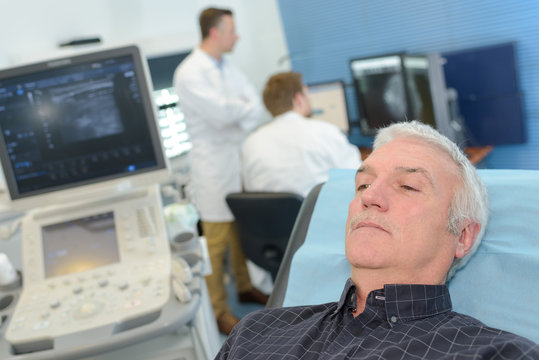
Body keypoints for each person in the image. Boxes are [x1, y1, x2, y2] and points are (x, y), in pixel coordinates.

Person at [216, 121, 539, 358]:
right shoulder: (255, 332)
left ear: (463, 236)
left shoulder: (500, 354)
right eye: (362, 185)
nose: (371, 197)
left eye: (408, 186)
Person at [173, 7, 268, 335]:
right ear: (215, 32)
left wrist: (237, 111)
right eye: (232, 30)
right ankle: (217, 310)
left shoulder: (226, 66)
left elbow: (255, 107)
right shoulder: (189, 72)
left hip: (235, 159)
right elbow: (220, 115)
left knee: (240, 231)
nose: (237, 36)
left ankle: (244, 287)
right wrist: (238, 110)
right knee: (216, 242)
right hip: (212, 166)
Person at [242, 71, 361, 197]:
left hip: (268, 216)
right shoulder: (325, 132)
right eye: (307, 95)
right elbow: (357, 177)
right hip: (318, 215)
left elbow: (251, 189)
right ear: (299, 99)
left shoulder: (250, 143)